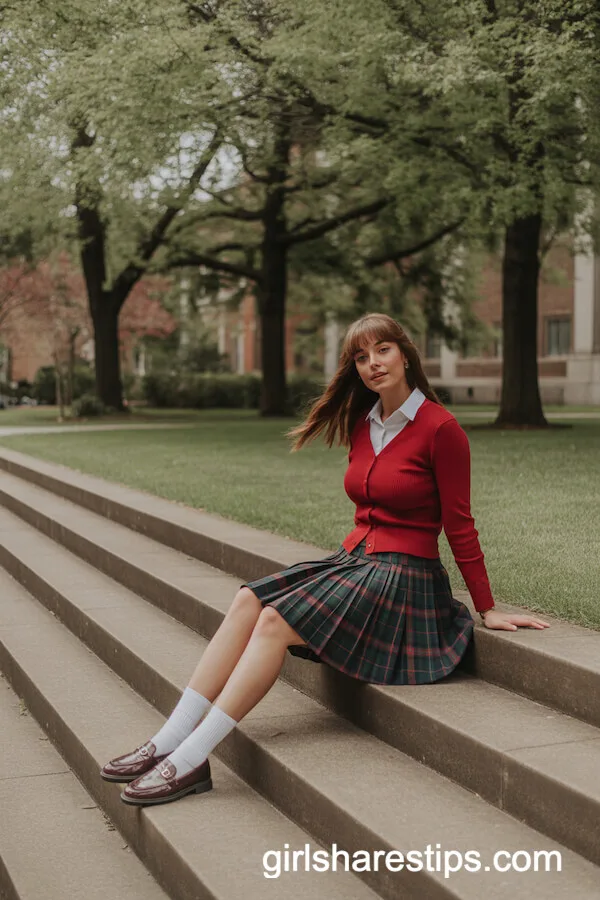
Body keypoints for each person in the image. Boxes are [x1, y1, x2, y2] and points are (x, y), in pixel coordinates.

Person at [101, 312, 550, 807]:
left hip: (407, 578)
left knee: (274, 621)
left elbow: (460, 523)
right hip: (356, 561)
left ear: (405, 354)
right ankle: (169, 740)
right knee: (249, 598)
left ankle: (191, 759)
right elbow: (368, 507)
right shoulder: (364, 424)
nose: (373, 363)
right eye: (361, 356)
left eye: (382, 350)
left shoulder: (441, 429)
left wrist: (487, 606)